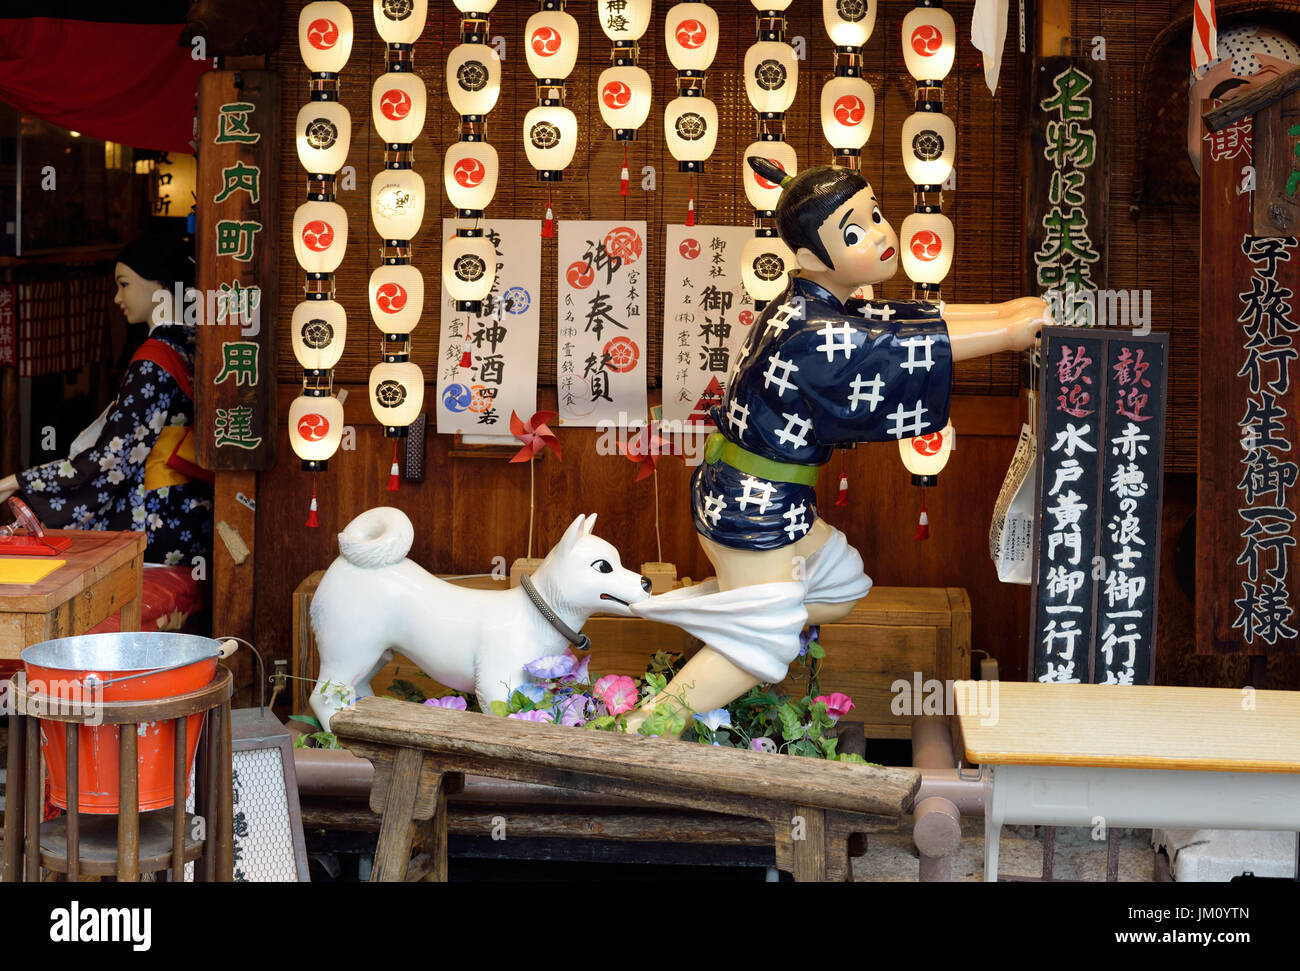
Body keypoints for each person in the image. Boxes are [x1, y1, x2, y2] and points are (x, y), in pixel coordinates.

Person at [626, 159, 1049, 730]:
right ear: (808, 259)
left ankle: (736, 607)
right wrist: (1006, 332)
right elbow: (891, 345)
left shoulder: (818, 304)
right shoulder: (813, 329)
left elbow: (903, 321)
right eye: (853, 232)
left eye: (874, 215)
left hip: (767, 493)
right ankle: (652, 723)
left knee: (842, 581)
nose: (878, 232)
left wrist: (1002, 314)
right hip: (752, 504)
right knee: (769, 642)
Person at [0, 237, 213, 568]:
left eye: (124, 284)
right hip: (192, 514)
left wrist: (18, 482)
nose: (117, 298)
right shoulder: (194, 346)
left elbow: (110, 459)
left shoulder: (152, 361)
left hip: (157, 523)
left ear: (160, 284)